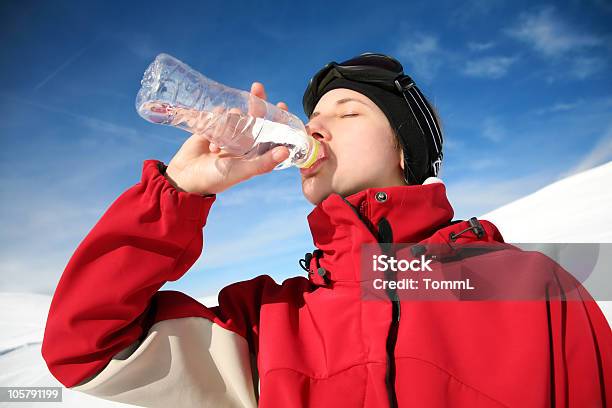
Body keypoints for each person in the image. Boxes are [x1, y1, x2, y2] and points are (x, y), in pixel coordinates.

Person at [42, 53, 611, 407]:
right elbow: (84, 349)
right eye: (316, 116)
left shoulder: (526, 282)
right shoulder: (270, 320)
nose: (315, 124)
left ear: (406, 151)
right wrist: (179, 196)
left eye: (348, 111)